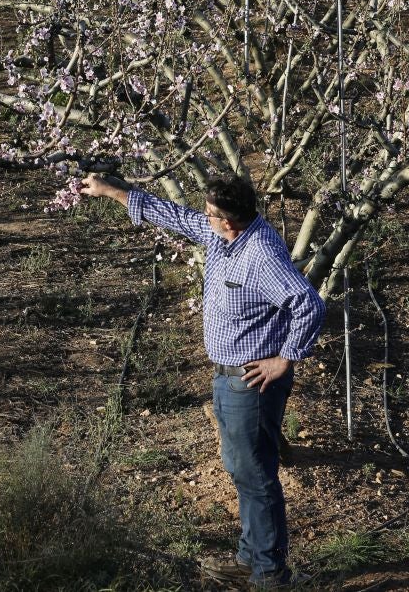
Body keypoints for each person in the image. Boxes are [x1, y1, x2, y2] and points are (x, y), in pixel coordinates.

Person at [80, 172, 326, 590]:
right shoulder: (222, 235)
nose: (205, 219)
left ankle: (269, 574)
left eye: (211, 214)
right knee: (241, 468)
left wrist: (285, 358)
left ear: (229, 220)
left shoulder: (261, 255)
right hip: (227, 375)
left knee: (255, 475)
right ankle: (251, 559)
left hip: (251, 381)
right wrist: (114, 192)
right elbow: (177, 217)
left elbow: (308, 305)